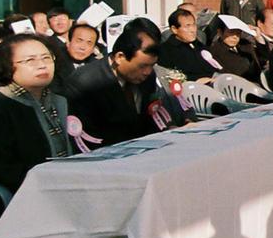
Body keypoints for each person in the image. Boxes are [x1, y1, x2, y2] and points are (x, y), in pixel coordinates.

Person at [65, 17, 189, 147]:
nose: (147, 71)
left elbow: (149, 116)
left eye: (151, 65)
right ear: (120, 57)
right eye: (142, 66)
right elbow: (86, 137)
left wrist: (169, 130)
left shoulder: (148, 76)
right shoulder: (85, 83)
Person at [0, 33, 72, 223]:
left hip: (67, 190)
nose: (42, 65)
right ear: (7, 65)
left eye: (47, 57)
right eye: (30, 60)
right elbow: (1, 167)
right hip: (22, 201)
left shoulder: (60, 100)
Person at [157, 9, 216, 82]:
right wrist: (196, 81)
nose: (193, 30)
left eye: (194, 25)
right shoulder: (165, 50)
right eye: (187, 26)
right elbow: (168, 77)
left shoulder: (200, 47)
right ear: (174, 29)